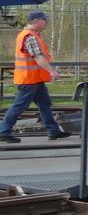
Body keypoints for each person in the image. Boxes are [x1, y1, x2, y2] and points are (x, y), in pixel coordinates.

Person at [2, 10, 69, 142]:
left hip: (34, 79)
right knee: (19, 106)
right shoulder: (30, 37)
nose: (46, 23)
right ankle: (3, 131)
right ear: (36, 21)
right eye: (44, 20)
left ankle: (53, 131)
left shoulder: (30, 35)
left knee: (44, 104)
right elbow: (38, 57)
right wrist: (52, 71)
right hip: (29, 79)